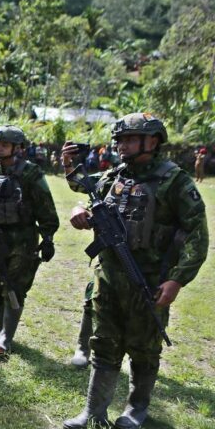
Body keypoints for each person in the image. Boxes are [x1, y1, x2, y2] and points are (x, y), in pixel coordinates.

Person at [62, 113, 209, 429]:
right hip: (108, 279)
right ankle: (93, 411)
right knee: (103, 342)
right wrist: (79, 210)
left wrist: (177, 280)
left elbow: (197, 235)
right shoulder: (114, 176)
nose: (122, 145)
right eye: (120, 140)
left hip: (149, 282)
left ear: (152, 141)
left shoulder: (174, 181)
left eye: (130, 139)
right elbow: (81, 187)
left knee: (144, 349)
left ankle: (135, 410)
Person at [0, 125, 59, 358]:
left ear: (18, 148)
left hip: (23, 240)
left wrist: (48, 238)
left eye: (4, 145)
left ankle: (7, 337)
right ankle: (0, 329)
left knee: (14, 286)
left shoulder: (31, 174)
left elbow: (45, 207)